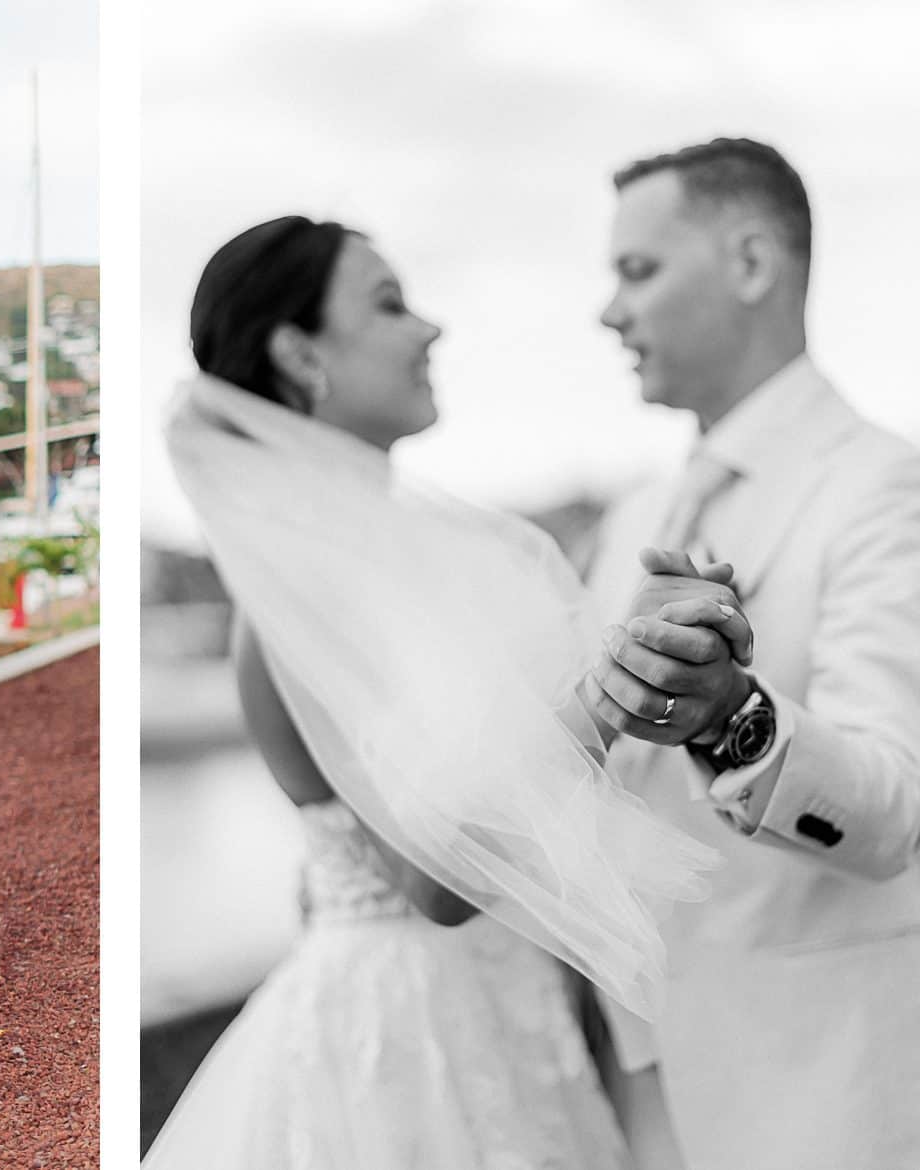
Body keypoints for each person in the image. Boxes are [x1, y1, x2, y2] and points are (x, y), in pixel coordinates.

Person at [148, 217, 730, 1168]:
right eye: (388, 304)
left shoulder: (406, 566)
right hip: (407, 1050)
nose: (430, 330)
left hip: (509, 1017)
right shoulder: (302, 590)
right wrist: (610, 688)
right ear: (300, 353)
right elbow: (436, 877)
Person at [585, 138, 920, 1170]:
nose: (608, 311)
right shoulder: (631, 517)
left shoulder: (884, 488)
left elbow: (895, 805)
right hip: (638, 1088)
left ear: (748, 264)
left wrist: (730, 713)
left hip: (817, 1090)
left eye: (636, 271)